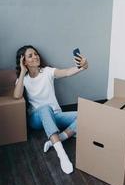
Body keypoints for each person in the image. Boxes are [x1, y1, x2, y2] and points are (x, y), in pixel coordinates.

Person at [13, 45, 88, 174]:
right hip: (36, 119)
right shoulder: (23, 79)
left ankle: (58, 139)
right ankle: (62, 155)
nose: (35, 57)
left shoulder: (47, 72)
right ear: (23, 61)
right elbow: (17, 95)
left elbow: (66, 72)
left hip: (55, 114)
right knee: (45, 108)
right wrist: (22, 72)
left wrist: (82, 67)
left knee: (87, 115)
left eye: (36, 54)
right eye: (30, 56)